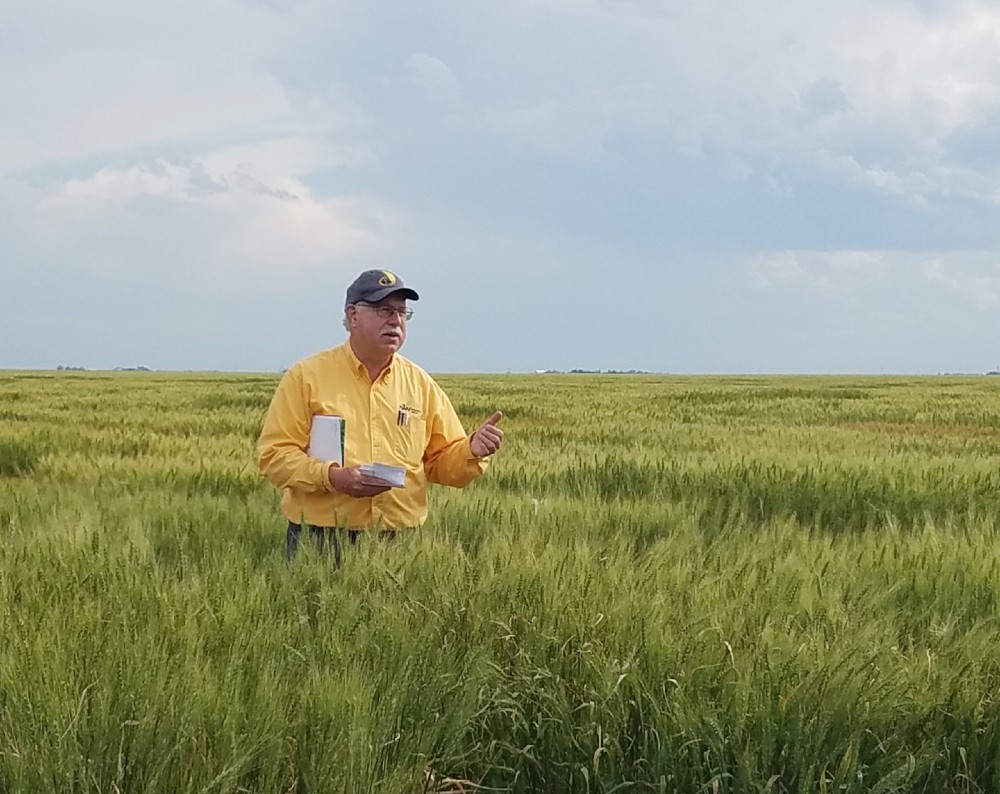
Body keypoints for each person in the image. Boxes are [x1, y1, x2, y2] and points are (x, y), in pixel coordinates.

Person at [257, 269, 504, 563]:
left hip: (399, 543)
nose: (395, 320)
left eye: (402, 312)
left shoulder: (420, 383)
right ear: (352, 316)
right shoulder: (306, 377)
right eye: (383, 309)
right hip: (319, 540)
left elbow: (440, 464)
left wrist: (471, 450)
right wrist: (332, 477)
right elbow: (274, 457)